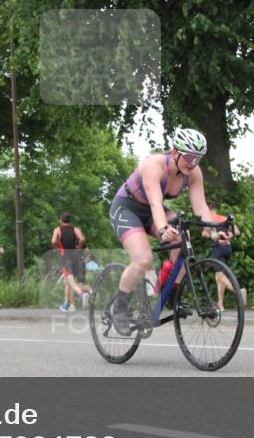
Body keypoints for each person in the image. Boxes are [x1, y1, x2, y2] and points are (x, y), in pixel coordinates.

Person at [107, 128, 230, 335]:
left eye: (197, 158)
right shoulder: (153, 165)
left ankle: (170, 290)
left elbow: (201, 208)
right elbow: (155, 202)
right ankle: (119, 307)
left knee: (185, 237)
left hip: (152, 211)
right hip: (127, 208)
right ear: (175, 152)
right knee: (143, 259)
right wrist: (163, 229)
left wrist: (216, 234)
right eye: (189, 156)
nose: (193, 162)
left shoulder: (193, 173)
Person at [201, 202, 242, 307]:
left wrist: (209, 234)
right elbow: (237, 232)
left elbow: (205, 233)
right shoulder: (224, 218)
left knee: (220, 276)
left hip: (217, 249)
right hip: (228, 248)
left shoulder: (208, 219)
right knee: (219, 276)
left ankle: (238, 292)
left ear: (208, 209)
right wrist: (229, 236)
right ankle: (220, 304)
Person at [51, 212, 89, 312]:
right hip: (76, 257)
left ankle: (82, 294)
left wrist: (56, 248)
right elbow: (82, 239)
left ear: (61, 220)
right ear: (69, 220)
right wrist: (79, 247)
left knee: (71, 282)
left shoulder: (57, 230)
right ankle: (66, 304)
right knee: (67, 282)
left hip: (65, 258)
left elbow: (53, 241)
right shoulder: (76, 229)